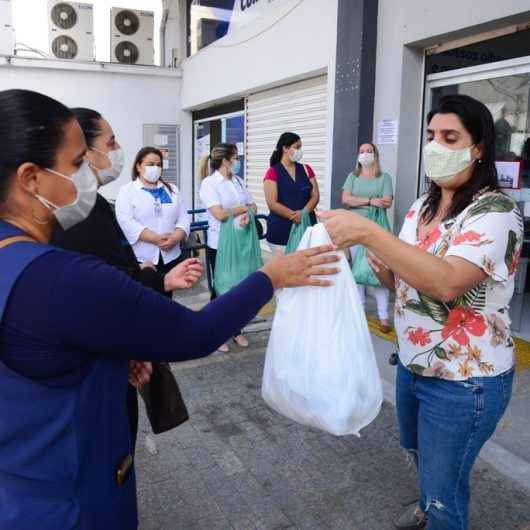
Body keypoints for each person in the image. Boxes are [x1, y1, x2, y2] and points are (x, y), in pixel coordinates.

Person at [0, 89, 339, 530]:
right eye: (78, 162)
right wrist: (273, 277)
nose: (90, 173)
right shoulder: (62, 278)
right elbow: (193, 333)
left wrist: (104, 360)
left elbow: (35, 350)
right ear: (31, 178)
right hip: (72, 503)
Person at [322, 94, 524, 530]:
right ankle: (428, 502)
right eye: (431, 135)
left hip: (464, 379)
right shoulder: (422, 206)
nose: (435, 145)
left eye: (450, 137)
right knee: (419, 453)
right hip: (414, 365)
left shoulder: (496, 211)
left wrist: (368, 233)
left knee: (446, 489)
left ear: (479, 148)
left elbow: (448, 281)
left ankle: (436, 509)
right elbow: (411, 283)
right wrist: (388, 273)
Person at [51, 107, 201, 449]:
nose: (117, 149)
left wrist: (160, 264)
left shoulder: (93, 203)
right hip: (95, 371)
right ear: (84, 151)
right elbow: (99, 283)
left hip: (118, 352)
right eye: (112, 141)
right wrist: (153, 279)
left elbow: (111, 268)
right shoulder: (73, 213)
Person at [199, 143, 257, 352]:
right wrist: (244, 209)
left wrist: (247, 215)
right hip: (220, 243)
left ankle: (236, 330)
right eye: (236, 157)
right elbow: (219, 214)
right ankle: (215, 333)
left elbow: (254, 205)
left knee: (240, 286)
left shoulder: (238, 181)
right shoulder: (209, 184)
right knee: (221, 288)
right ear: (225, 160)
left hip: (241, 240)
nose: (238, 161)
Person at [115, 146, 191, 282]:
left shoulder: (172, 189)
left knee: (168, 296)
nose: (155, 168)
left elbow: (184, 217)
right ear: (138, 166)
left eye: (159, 165)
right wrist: (157, 239)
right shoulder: (127, 191)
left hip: (171, 255)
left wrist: (175, 238)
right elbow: (126, 222)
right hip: (144, 259)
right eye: (150, 164)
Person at [342, 142, 394, 333]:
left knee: (378, 271)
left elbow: (387, 201)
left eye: (369, 151)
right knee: (358, 271)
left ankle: (383, 316)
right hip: (354, 229)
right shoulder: (352, 177)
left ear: (375, 155)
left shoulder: (384, 177)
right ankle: (360, 311)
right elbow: (345, 199)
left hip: (376, 229)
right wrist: (371, 201)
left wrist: (360, 202)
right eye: (362, 151)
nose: (365, 154)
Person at [263, 132, 320, 255]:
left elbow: (315, 195)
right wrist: (294, 216)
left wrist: (303, 213)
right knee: (285, 270)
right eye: (297, 147)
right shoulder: (273, 172)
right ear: (285, 148)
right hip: (281, 231)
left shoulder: (306, 169)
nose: (300, 150)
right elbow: (272, 203)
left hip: (307, 227)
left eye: (300, 147)